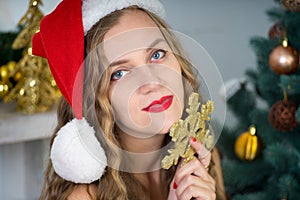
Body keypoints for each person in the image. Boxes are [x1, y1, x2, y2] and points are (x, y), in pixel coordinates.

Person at [33, 0, 227, 199]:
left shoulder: (202, 161)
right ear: (95, 101)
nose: (152, 81)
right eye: (120, 73)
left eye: (157, 55)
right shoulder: (84, 197)